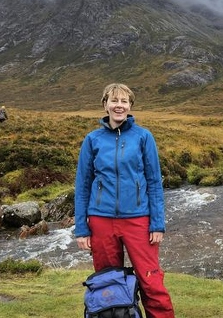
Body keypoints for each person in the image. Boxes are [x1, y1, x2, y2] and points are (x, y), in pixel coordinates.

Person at [75, 83, 175, 318]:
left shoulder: (143, 137)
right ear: (105, 104)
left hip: (139, 219)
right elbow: (82, 186)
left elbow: (153, 182)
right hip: (101, 220)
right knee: (108, 284)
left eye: (124, 101)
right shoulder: (92, 140)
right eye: (114, 101)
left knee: (151, 280)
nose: (119, 106)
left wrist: (157, 223)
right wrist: (82, 228)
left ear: (130, 106)